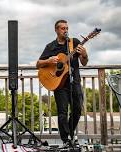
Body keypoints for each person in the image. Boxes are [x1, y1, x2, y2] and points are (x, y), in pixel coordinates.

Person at [36, 20, 88, 148]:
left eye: (67, 28)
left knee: (77, 110)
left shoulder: (74, 43)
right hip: (59, 83)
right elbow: (38, 64)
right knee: (62, 112)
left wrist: (84, 55)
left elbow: (84, 62)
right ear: (57, 30)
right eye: (63, 28)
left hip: (74, 81)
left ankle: (69, 134)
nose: (65, 30)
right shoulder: (51, 47)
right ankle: (66, 140)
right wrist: (49, 60)